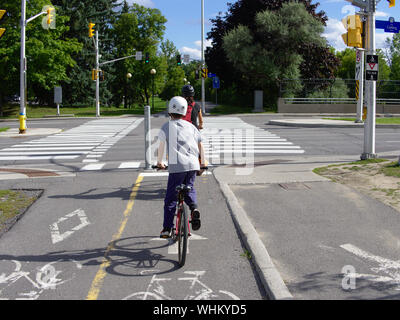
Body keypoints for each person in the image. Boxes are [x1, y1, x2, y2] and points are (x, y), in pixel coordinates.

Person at [157, 96, 206, 238]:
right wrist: (202, 163)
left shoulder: (166, 126)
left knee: (171, 198)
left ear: (170, 110)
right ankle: (194, 208)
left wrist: (160, 162)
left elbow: (161, 147)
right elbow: (200, 145)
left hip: (176, 167)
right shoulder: (191, 126)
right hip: (192, 165)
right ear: (185, 111)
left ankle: (167, 228)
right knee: (189, 188)